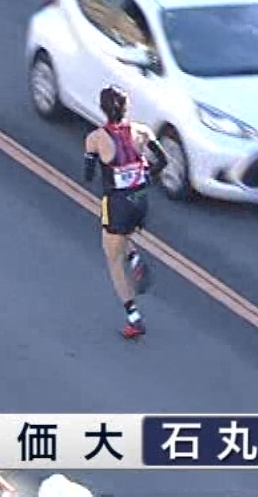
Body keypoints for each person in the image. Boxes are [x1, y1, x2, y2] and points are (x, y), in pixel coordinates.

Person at [83, 85, 163, 339]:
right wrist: (144, 174)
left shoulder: (95, 138)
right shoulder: (142, 131)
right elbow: (163, 160)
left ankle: (133, 318)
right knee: (122, 234)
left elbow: (88, 175)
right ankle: (135, 258)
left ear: (102, 108)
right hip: (140, 200)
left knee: (113, 259)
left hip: (116, 203)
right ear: (127, 107)